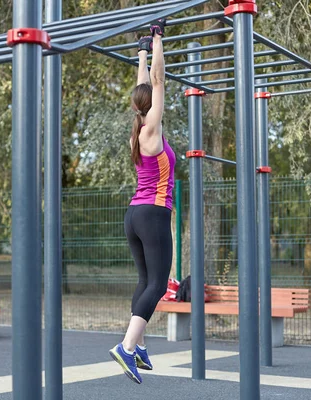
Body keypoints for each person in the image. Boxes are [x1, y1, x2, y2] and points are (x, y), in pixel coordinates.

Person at [109, 18, 175, 385]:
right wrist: (157, 39)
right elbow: (158, 80)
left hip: (134, 214)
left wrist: (140, 52)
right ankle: (127, 347)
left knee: (144, 281)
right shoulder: (152, 127)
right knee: (159, 285)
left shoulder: (137, 130)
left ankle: (141, 346)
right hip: (152, 214)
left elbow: (144, 86)